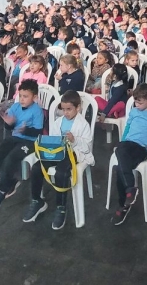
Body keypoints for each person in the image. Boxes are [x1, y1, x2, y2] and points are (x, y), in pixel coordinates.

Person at [23, 90, 94, 230]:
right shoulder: (58, 122)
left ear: (78, 108)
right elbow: (53, 141)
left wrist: (74, 140)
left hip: (74, 153)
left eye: (69, 109)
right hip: (57, 152)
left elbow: (87, 147)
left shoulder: (83, 125)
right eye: (63, 109)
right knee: (37, 167)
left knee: (61, 172)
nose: (65, 113)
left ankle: (61, 208)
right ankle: (37, 200)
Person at [0, 79, 44, 213]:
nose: (22, 99)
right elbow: (9, 127)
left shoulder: (37, 111)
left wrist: (25, 130)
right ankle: (11, 182)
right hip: (15, 138)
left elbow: (38, 132)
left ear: (34, 97)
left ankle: (1, 191)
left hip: (30, 142)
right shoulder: (16, 107)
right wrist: (9, 124)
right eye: (20, 95)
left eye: (26, 96)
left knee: (10, 159)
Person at [110, 83, 147, 225]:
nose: (137, 105)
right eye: (135, 102)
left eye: (140, 102)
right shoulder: (133, 112)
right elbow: (127, 128)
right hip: (128, 144)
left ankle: (124, 202)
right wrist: (122, 142)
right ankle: (129, 192)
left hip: (143, 147)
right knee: (121, 160)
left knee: (121, 165)